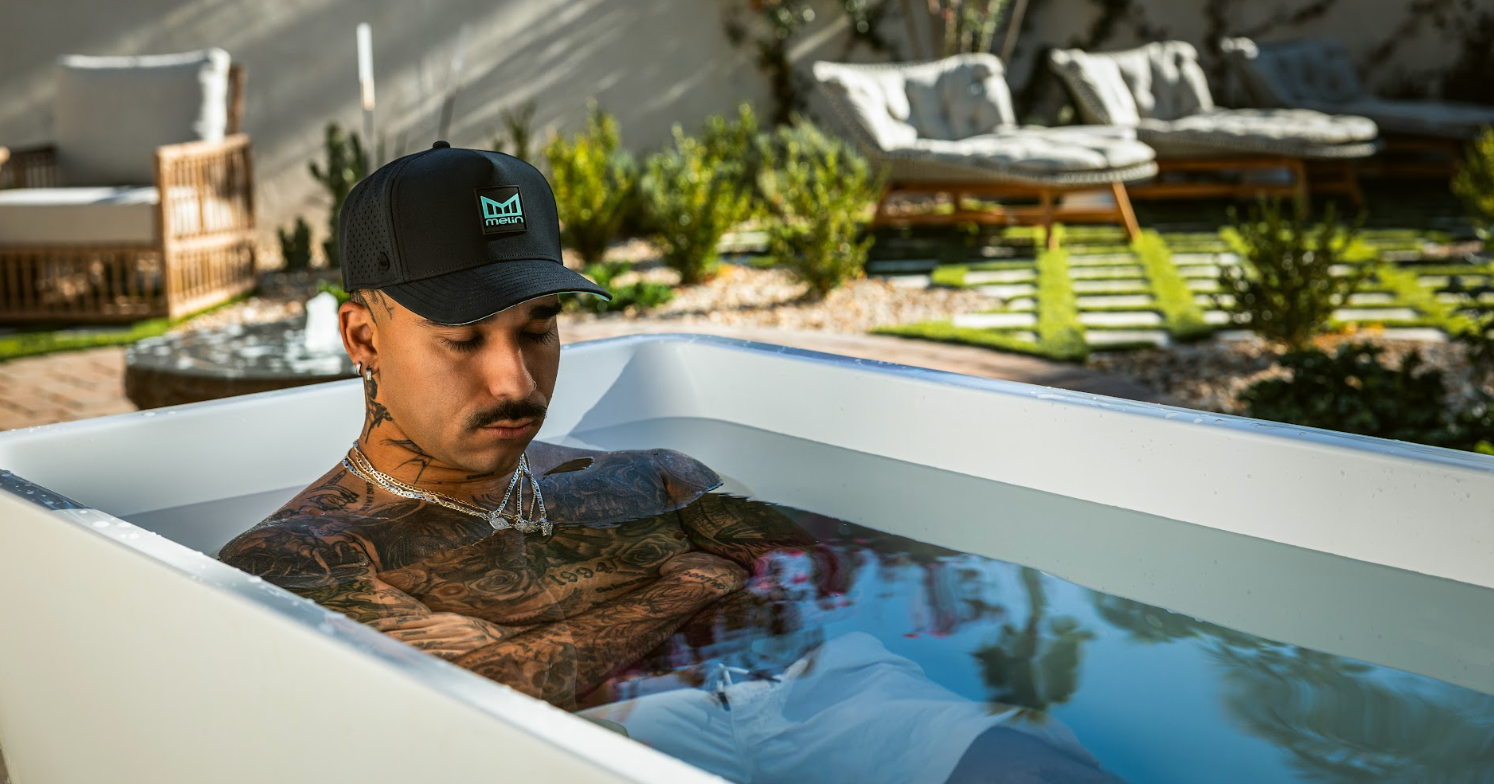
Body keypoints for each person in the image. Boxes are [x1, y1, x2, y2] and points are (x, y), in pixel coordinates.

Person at [219, 143, 1124, 784]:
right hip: (602, 746)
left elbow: (855, 574)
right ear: (361, 335)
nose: (514, 379)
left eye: (539, 330)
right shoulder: (298, 555)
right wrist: (690, 581)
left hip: (806, 691)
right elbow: (494, 685)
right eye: (464, 339)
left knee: (1044, 771)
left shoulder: (649, 475)